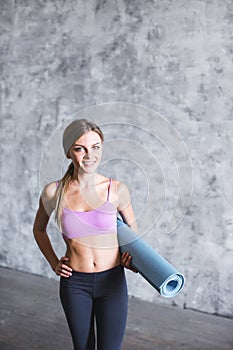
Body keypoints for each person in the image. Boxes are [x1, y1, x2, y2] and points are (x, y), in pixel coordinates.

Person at [33, 118, 138, 350]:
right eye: (80, 148)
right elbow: (38, 230)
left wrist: (133, 260)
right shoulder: (53, 192)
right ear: (69, 152)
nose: (89, 155)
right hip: (75, 284)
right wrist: (53, 263)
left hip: (112, 282)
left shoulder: (116, 189)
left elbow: (134, 237)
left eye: (96, 147)